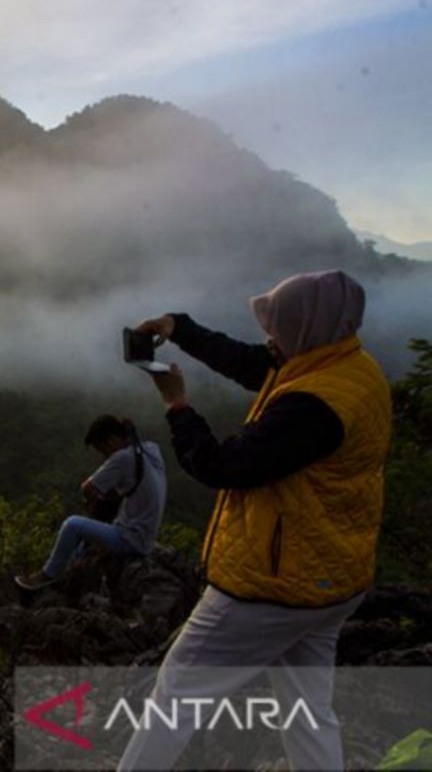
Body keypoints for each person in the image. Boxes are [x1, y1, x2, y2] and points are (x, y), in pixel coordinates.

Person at [118, 270, 391, 771]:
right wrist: (180, 326)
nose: (270, 337)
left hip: (272, 584)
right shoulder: (348, 365)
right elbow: (252, 363)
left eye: (279, 325)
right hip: (330, 576)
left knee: (176, 693)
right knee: (308, 712)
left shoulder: (315, 406)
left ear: (307, 328)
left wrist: (177, 405)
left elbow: (223, 468)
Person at [14, 415, 167, 591]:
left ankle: (47, 576)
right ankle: (72, 571)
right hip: (146, 538)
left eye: (103, 450)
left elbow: (87, 488)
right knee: (84, 542)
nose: (105, 456)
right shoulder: (151, 449)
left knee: (72, 525)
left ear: (111, 441)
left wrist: (95, 503)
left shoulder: (123, 458)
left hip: (130, 539)